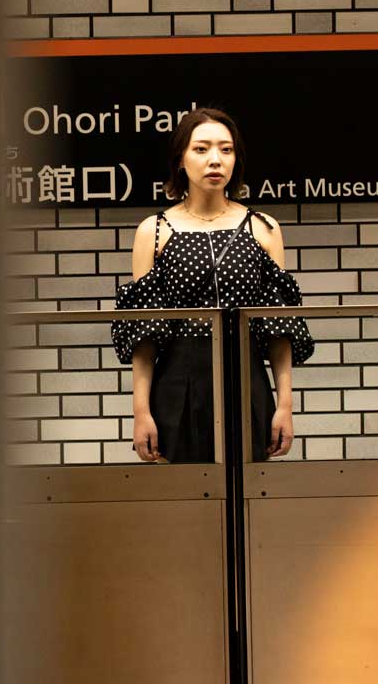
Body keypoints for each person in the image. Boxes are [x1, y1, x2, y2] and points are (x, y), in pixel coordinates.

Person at [110, 108, 314, 463]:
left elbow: (279, 328)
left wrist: (285, 405)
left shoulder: (263, 228)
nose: (215, 160)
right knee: (185, 491)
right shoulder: (153, 231)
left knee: (247, 486)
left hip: (246, 376)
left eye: (226, 149)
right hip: (177, 379)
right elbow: (143, 335)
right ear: (181, 159)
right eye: (201, 149)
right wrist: (140, 412)